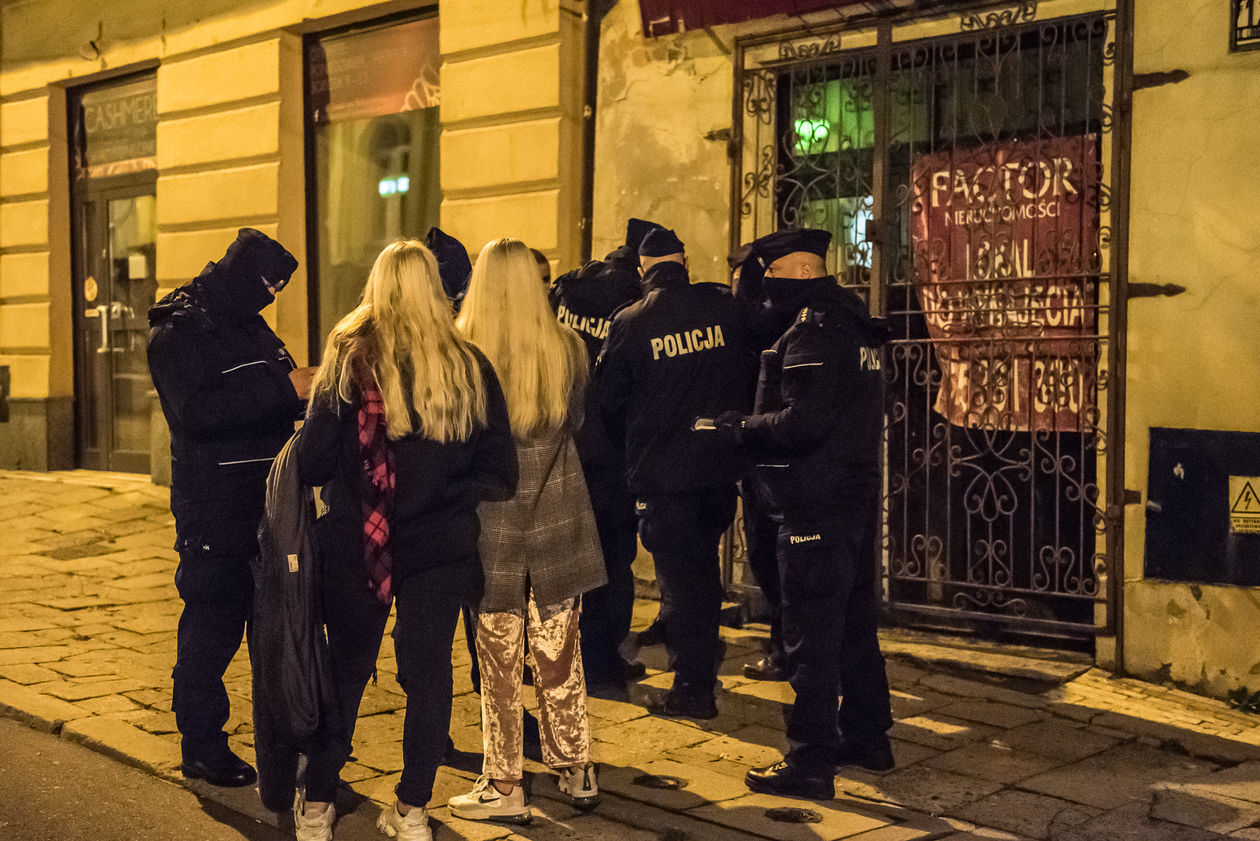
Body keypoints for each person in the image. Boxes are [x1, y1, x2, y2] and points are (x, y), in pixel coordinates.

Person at [294, 240, 516, 841]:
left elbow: (313, 462)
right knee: (428, 677)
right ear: (438, 292)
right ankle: (412, 810)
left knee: (345, 669)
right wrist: (446, 490)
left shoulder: (349, 360)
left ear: (376, 288)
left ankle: (317, 805)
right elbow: (502, 472)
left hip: (359, 546)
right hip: (441, 550)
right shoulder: (470, 366)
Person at [713, 228, 895, 800]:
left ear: (791, 273)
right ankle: (868, 736)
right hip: (852, 494)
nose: (764, 290)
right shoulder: (856, 319)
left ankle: (809, 762)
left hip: (815, 499)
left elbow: (803, 423)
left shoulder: (815, 331)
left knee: (809, 636)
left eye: (769, 276)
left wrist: (741, 427)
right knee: (852, 624)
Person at [448, 238, 607, 822]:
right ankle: (576, 766)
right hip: (560, 516)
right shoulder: (569, 349)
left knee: (497, 661)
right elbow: (577, 423)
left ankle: (504, 780)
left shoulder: (465, 354)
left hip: (492, 523)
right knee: (561, 651)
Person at [147, 227, 311, 788]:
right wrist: (289, 391)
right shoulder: (178, 330)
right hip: (214, 508)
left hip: (267, 503)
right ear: (240, 275)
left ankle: (283, 744)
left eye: (279, 286)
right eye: (266, 282)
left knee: (275, 631)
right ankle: (201, 745)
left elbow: (275, 389)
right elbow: (199, 413)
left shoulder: (252, 324)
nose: (272, 293)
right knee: (212, 630)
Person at [595, 226, 752, 720]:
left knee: (682, 588)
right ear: (684, 260)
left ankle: (693, 689)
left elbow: (608, 399)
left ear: (643, 271)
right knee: (701, 579)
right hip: (717, 470)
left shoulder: (633, 321)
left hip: (664, 479)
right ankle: (698, 677)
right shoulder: (723, 309)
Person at [548, 257, 644, 690]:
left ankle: (568, 658)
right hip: (613, 455)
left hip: (569, 450)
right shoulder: (627, 306)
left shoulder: (564, 295)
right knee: (614, 562)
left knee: (572, 564)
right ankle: (605, 660)